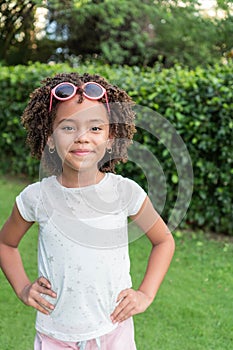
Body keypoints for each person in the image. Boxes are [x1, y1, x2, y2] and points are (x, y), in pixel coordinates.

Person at [0, 72, 175, 350]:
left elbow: (164, 240)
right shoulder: (36, 198)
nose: (82, 138)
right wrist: (23, 288)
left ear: (110, 138)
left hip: (113, 330)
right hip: (54, 333)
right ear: (48, 138)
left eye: (95, 128)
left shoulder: (125, 192)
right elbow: (5, 243)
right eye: (68, 128)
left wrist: (145, 294)